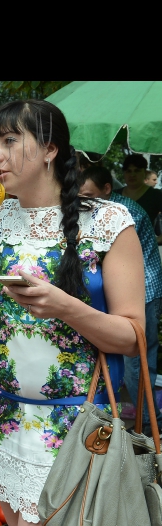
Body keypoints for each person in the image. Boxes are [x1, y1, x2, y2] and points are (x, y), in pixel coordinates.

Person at [0, 99, 144, 526]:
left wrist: (67, 307)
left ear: (50, 150)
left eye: (11, 141)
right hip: (3, 419)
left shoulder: (110, 223)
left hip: (70, 431)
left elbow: (134, 335)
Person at [79, 165, 162, 435]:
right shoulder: (101, 210)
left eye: (89, 195)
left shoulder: (121, 215)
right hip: (136, 290)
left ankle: (148, 426)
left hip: (144, 292)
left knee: (136, 362)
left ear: (106, 190)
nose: (83, 202)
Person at [115, 153, 162, 225]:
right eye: (128, 171)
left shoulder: (155, 195)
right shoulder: (115, 195)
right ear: (124, 173)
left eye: (137, 171)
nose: (132, 175)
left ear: (145, 173)